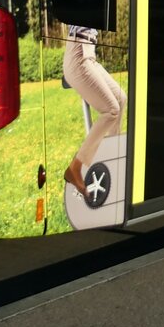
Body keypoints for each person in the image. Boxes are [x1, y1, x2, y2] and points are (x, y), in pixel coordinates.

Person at [62, 25, 126, 200]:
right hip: (78, 54)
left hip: (89, 53)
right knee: (111, 110)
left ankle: (112, 158)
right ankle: (75, 168)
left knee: (121, 98)